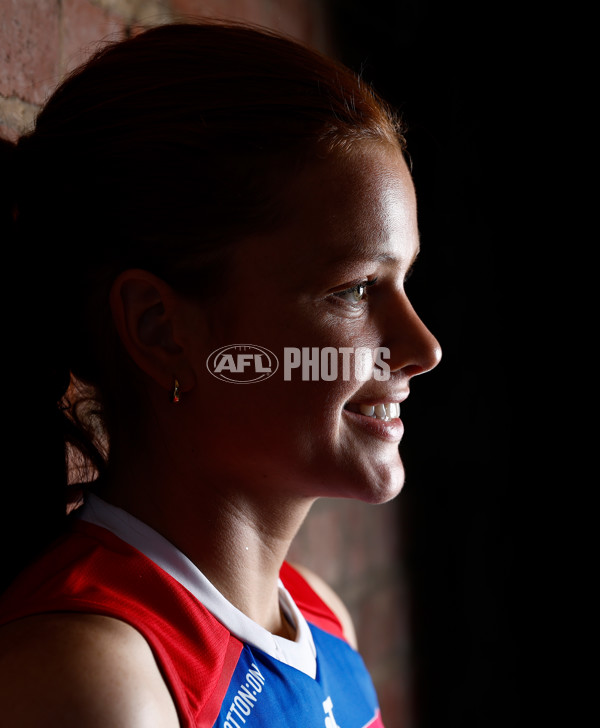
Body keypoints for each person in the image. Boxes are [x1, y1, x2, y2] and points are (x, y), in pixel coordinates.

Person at [0, 20, 441, 727]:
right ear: (162, 330)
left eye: (405, 281)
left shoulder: (323, 619)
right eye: (354, 289)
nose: (423, 346)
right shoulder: (95, 680)